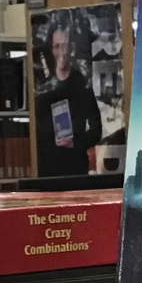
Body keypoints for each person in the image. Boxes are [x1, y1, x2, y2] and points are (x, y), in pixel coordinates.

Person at [34, 19, 103, 178]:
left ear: (71, 48)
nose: (61, 52)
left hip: (75, 165)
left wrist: (75, 144)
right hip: (47, 168)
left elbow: (96, 130)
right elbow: (37, 128)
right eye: (57, 46)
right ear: (52, 49)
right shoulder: (44, 88)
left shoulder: (83, 86)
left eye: (64, 45)